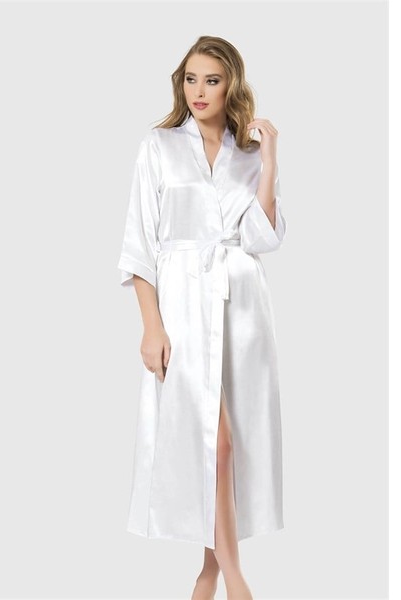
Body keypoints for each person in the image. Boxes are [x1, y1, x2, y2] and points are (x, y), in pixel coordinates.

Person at [117, 35, 287, 600]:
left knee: (233, 444)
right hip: (183, 307)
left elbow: (262, 236)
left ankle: (209, 571)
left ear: (231, 83)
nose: (199, 90)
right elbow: (139, 242)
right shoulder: (159, 146)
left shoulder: (246, 153)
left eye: (212, 80)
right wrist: (152, 325)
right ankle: (236, 578)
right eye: (191, 79)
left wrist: (269, 160)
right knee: (214, 443)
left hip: (242, 310)